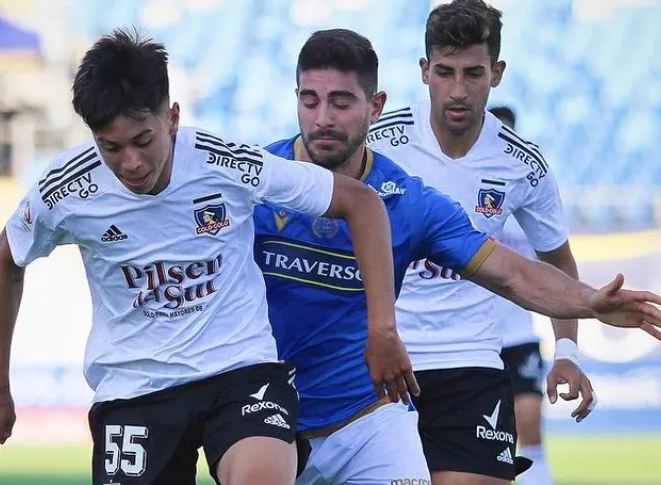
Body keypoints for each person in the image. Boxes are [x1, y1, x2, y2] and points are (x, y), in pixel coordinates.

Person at [0, 29, 418, 485]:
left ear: (173, 117)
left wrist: (381, 329)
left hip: (240, 372)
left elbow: (362, 203)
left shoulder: (228, 164)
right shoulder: (66, 189)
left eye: (143, 140)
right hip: (135, 387)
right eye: (111, 147)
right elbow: (7, 259)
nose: (131, 163)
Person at [255, 27, 661, 485]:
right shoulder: (255, 183)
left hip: (394, 399)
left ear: (374, 106)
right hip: (284, 400)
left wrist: (587, 304)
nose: (324, 117)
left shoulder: (415, 199)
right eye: (310, 101)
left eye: (342, 103)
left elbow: (513, 273)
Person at [367, 1, 606, 483]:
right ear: (424, 71)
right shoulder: (377, 141)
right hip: (383, 360)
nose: (458, 90)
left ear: (496, 73)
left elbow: (555, 260)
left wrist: (567, 353)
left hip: (471, 363)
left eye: (473, 73)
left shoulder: (523, 163)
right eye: (445, 72)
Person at [489, 106, 555, 485]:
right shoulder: (461, 196)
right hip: (472, 340)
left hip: (519, 335)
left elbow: (552, 267)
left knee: (529, 430)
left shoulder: (528, 198)